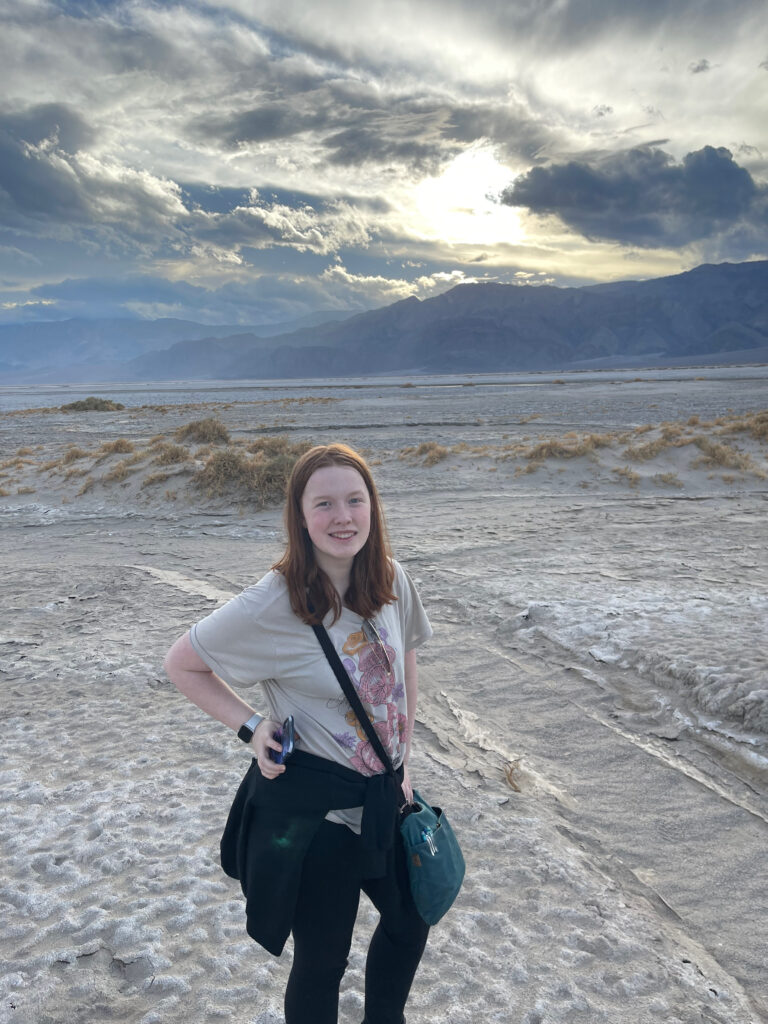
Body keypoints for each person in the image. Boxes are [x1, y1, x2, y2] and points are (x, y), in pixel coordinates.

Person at [163, 442, 432, 1024]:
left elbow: (406, 653)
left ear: (372, 508)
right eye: (325, 503)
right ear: (301, 515)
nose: (343, 517)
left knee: (411, 922)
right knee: (322, 961)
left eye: (355, 500)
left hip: (385, 797)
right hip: (319, 815)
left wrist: (404, 759)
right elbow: (182, 664)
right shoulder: (274, 603)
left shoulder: (390, 577)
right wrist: (252, 726)